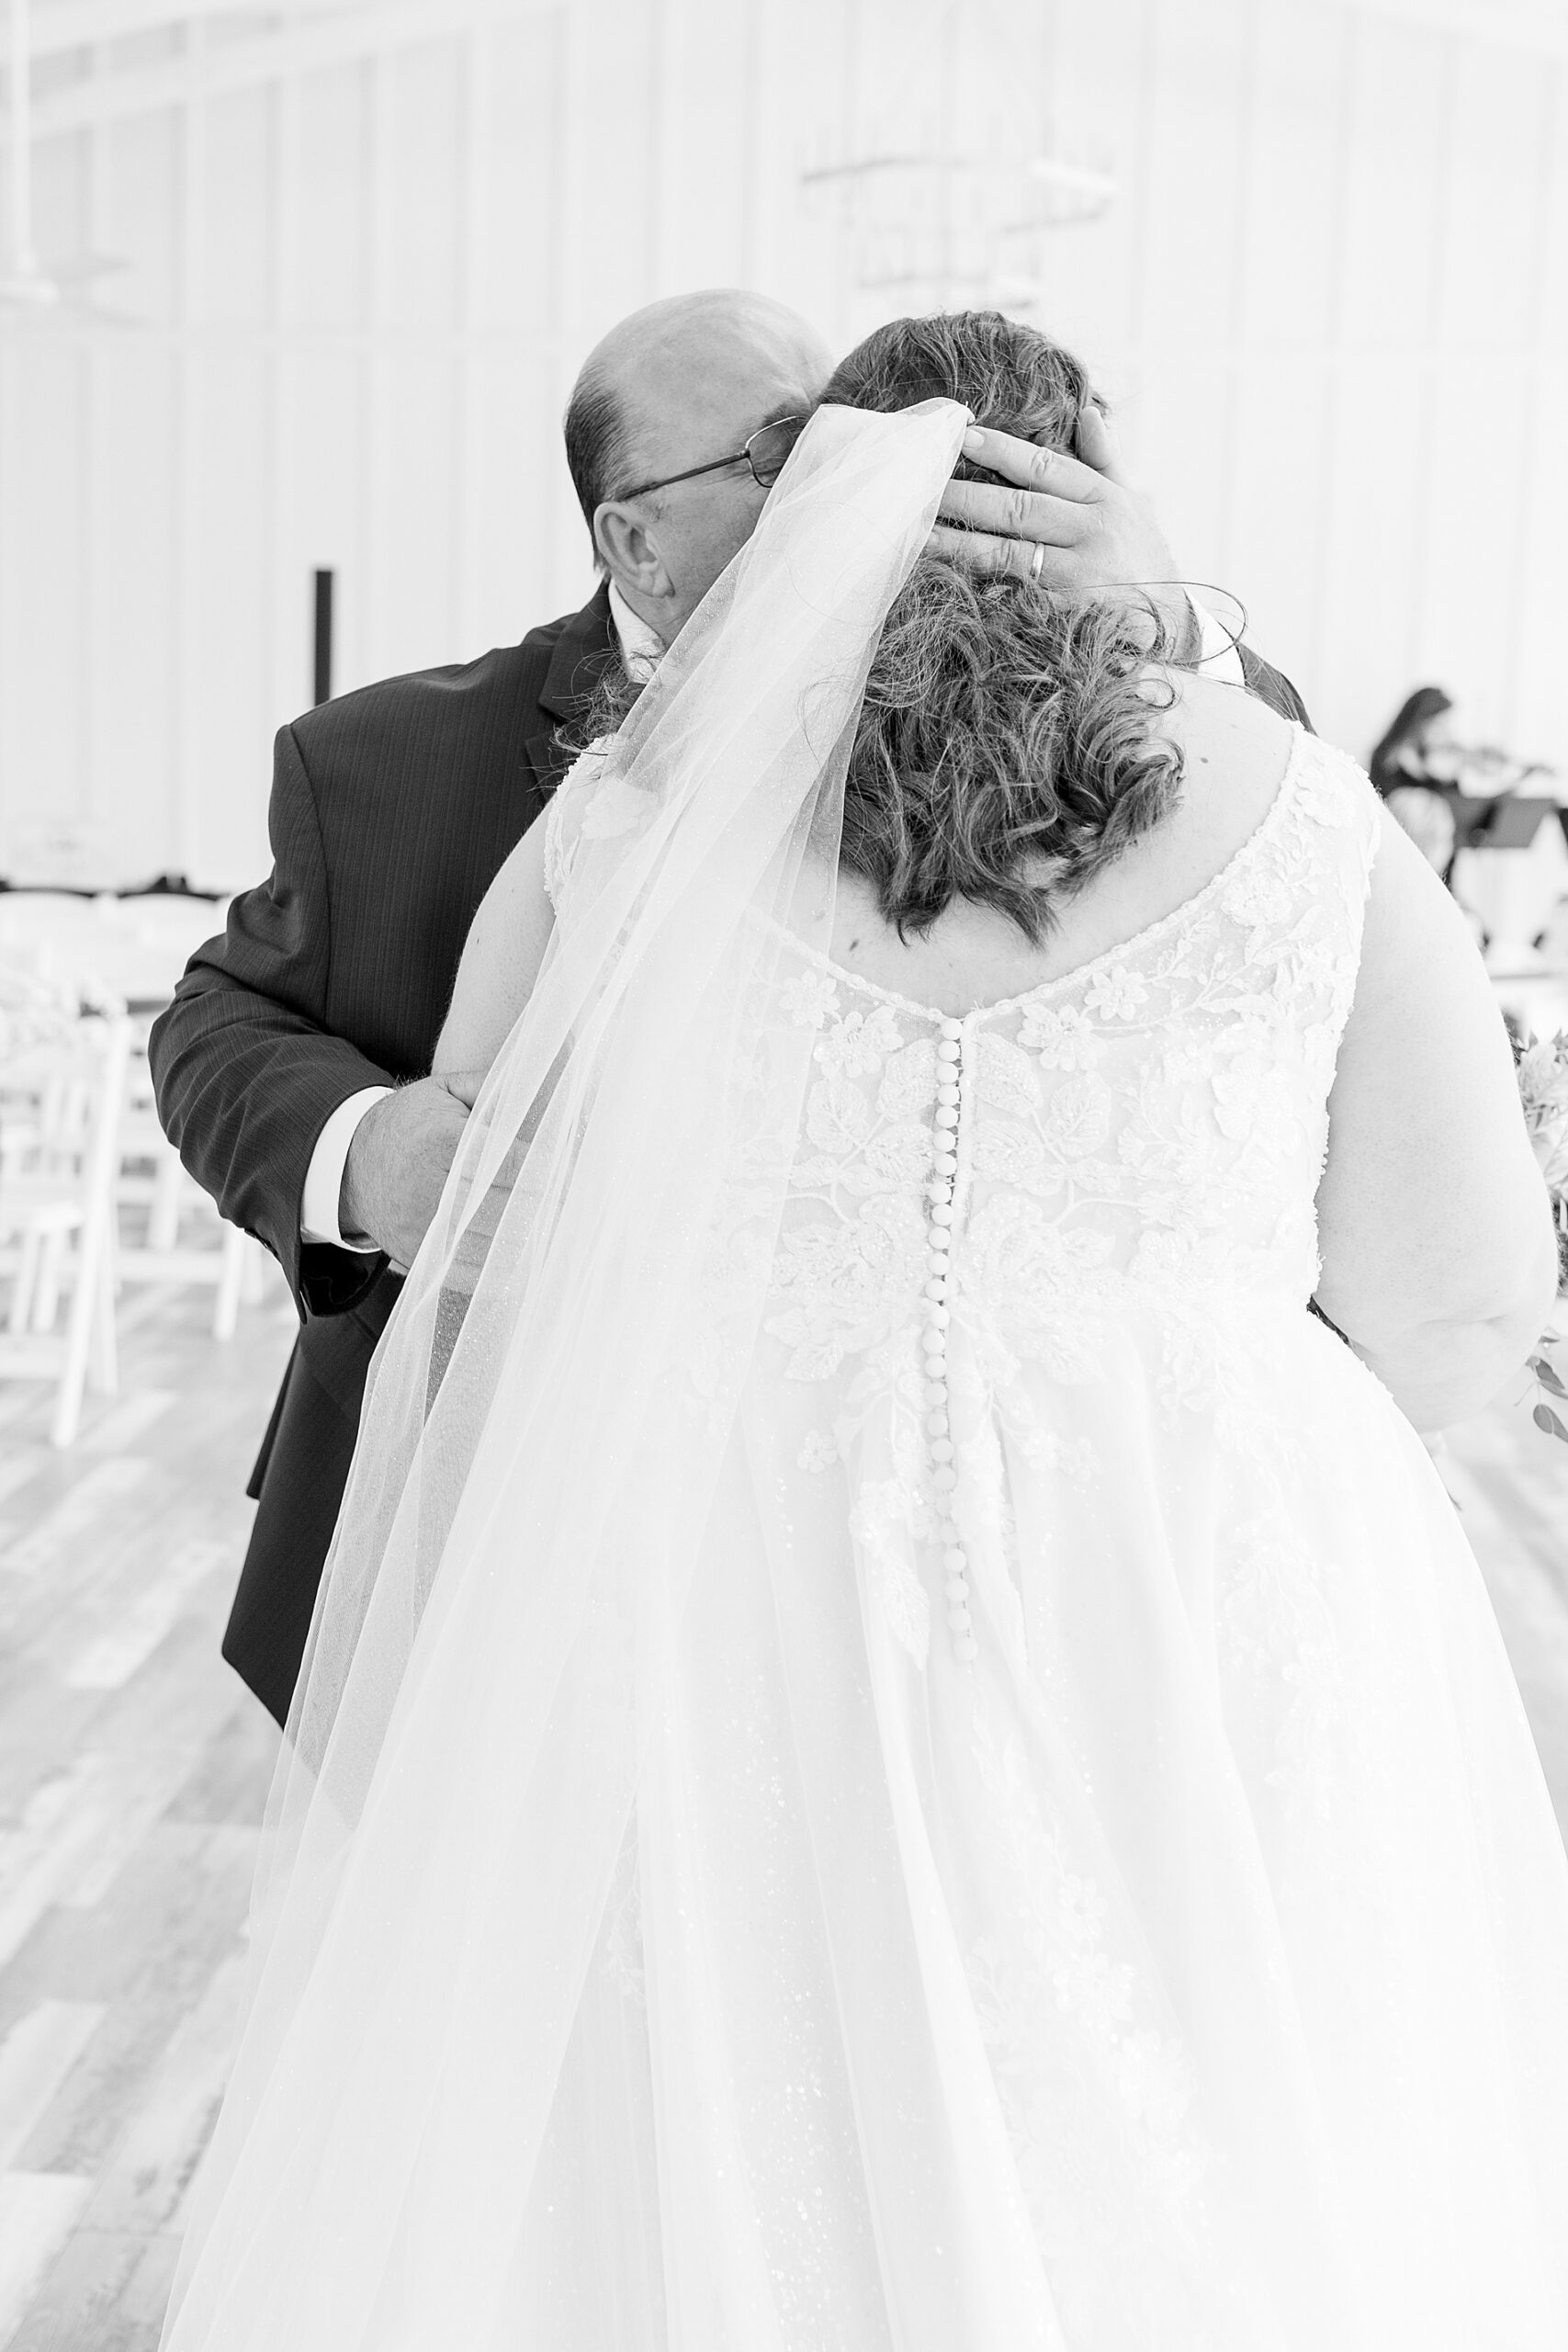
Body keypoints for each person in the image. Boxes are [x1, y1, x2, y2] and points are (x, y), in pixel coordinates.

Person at [161, 313, 1567, 2348]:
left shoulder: (627, 827)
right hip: (1174, 1571)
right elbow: (1452, 1322)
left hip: (726, 1543)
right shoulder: (1315, 821)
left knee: (715, 2121)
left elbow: (509, 1201)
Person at [150, 287, 1308, 1729]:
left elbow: (1277, 873)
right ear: (632, 538)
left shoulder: (1053, 730)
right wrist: (374, 1154)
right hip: (461, 1564)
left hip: (870, 1586)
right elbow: (216, 1017)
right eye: (785, 452)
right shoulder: (387, 761)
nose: (860, 479)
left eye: (859, 434)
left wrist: (1173, 622)